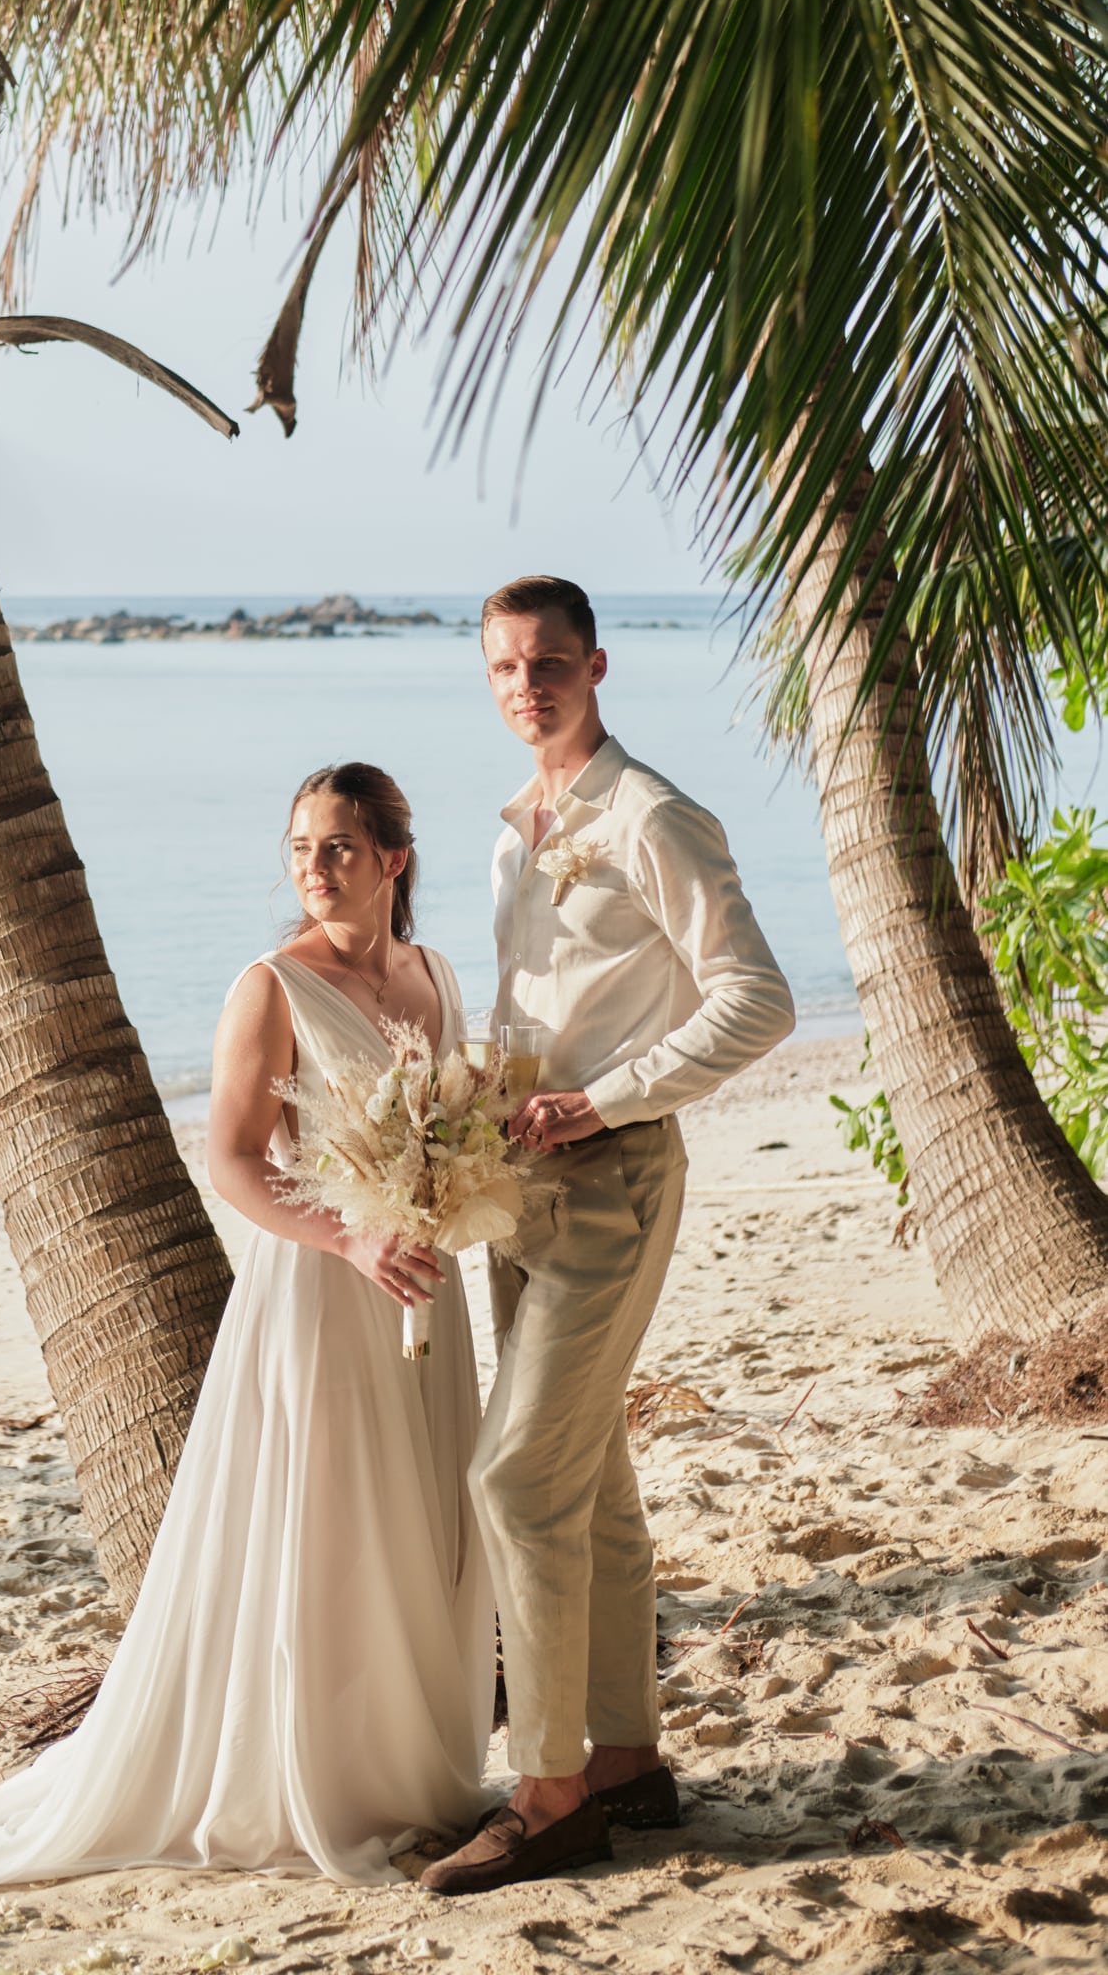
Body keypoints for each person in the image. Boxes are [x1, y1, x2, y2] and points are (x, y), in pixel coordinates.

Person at [0, 762, 494, 1901]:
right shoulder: (272, 985)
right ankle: (322, 1777)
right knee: (333, 1527)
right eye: (299, 848)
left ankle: (418, 1766)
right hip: (324, 1293)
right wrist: (353, 1239)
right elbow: (231, 1159)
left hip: (423, 1291)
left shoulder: (435, 975)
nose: (313, 869)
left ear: (394, 860)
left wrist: (444, 1204)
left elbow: (448, 1126)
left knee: (424, 1517)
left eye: (337, 847)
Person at [421, 578, 794, 1894]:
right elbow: (547, 1005)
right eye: (504, 669)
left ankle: (548, 1787)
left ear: (594, 667)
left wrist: (608, 1097)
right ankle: (629, 1762)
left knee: (513, 1478)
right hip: (513, 1187)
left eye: (548, 665)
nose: (526, 686)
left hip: (614, 1177)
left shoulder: (650, 818)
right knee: (587, 1480)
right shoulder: (514, 828)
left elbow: (757, 999)